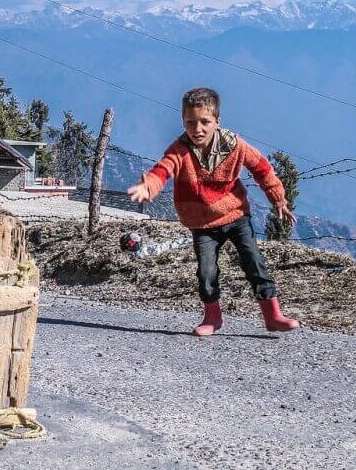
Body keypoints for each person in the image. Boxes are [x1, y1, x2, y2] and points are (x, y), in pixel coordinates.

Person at [127, 87, 300, 336]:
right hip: (202, 224)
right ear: (183, 121)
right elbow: (162, 170)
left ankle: (273, 315)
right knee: (207, 271)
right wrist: (149, 186)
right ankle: (212, 317)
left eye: (205, 122)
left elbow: (262, 168)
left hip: (236, 215)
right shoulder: (179, 150)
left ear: (217, 121)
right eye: (191, 122)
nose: (198, 129)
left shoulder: (235, 146)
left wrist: (279, 200)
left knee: (254, 263)